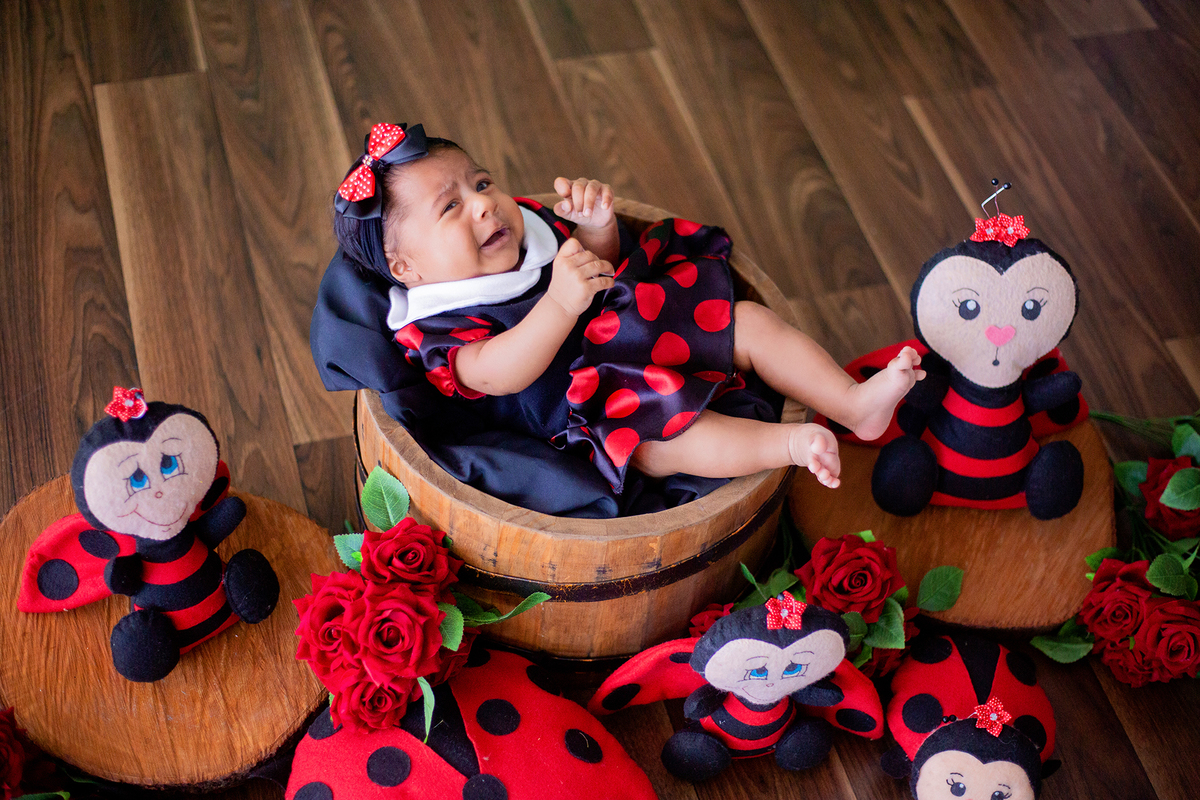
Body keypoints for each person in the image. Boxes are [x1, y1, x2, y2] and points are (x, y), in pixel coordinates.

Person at [323, 122, 923, 496]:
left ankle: (852, 404)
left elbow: (604, 270)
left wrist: (597, 229)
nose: (483, 205)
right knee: (660, 446)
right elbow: (499, 372)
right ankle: (789, 445)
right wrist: (559, 304)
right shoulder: (438, 324)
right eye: (450, 208)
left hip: (639, 328)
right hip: (589, 407)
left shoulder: (527, 236)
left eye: (480, 183)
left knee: (746, 320)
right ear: (408, 268)